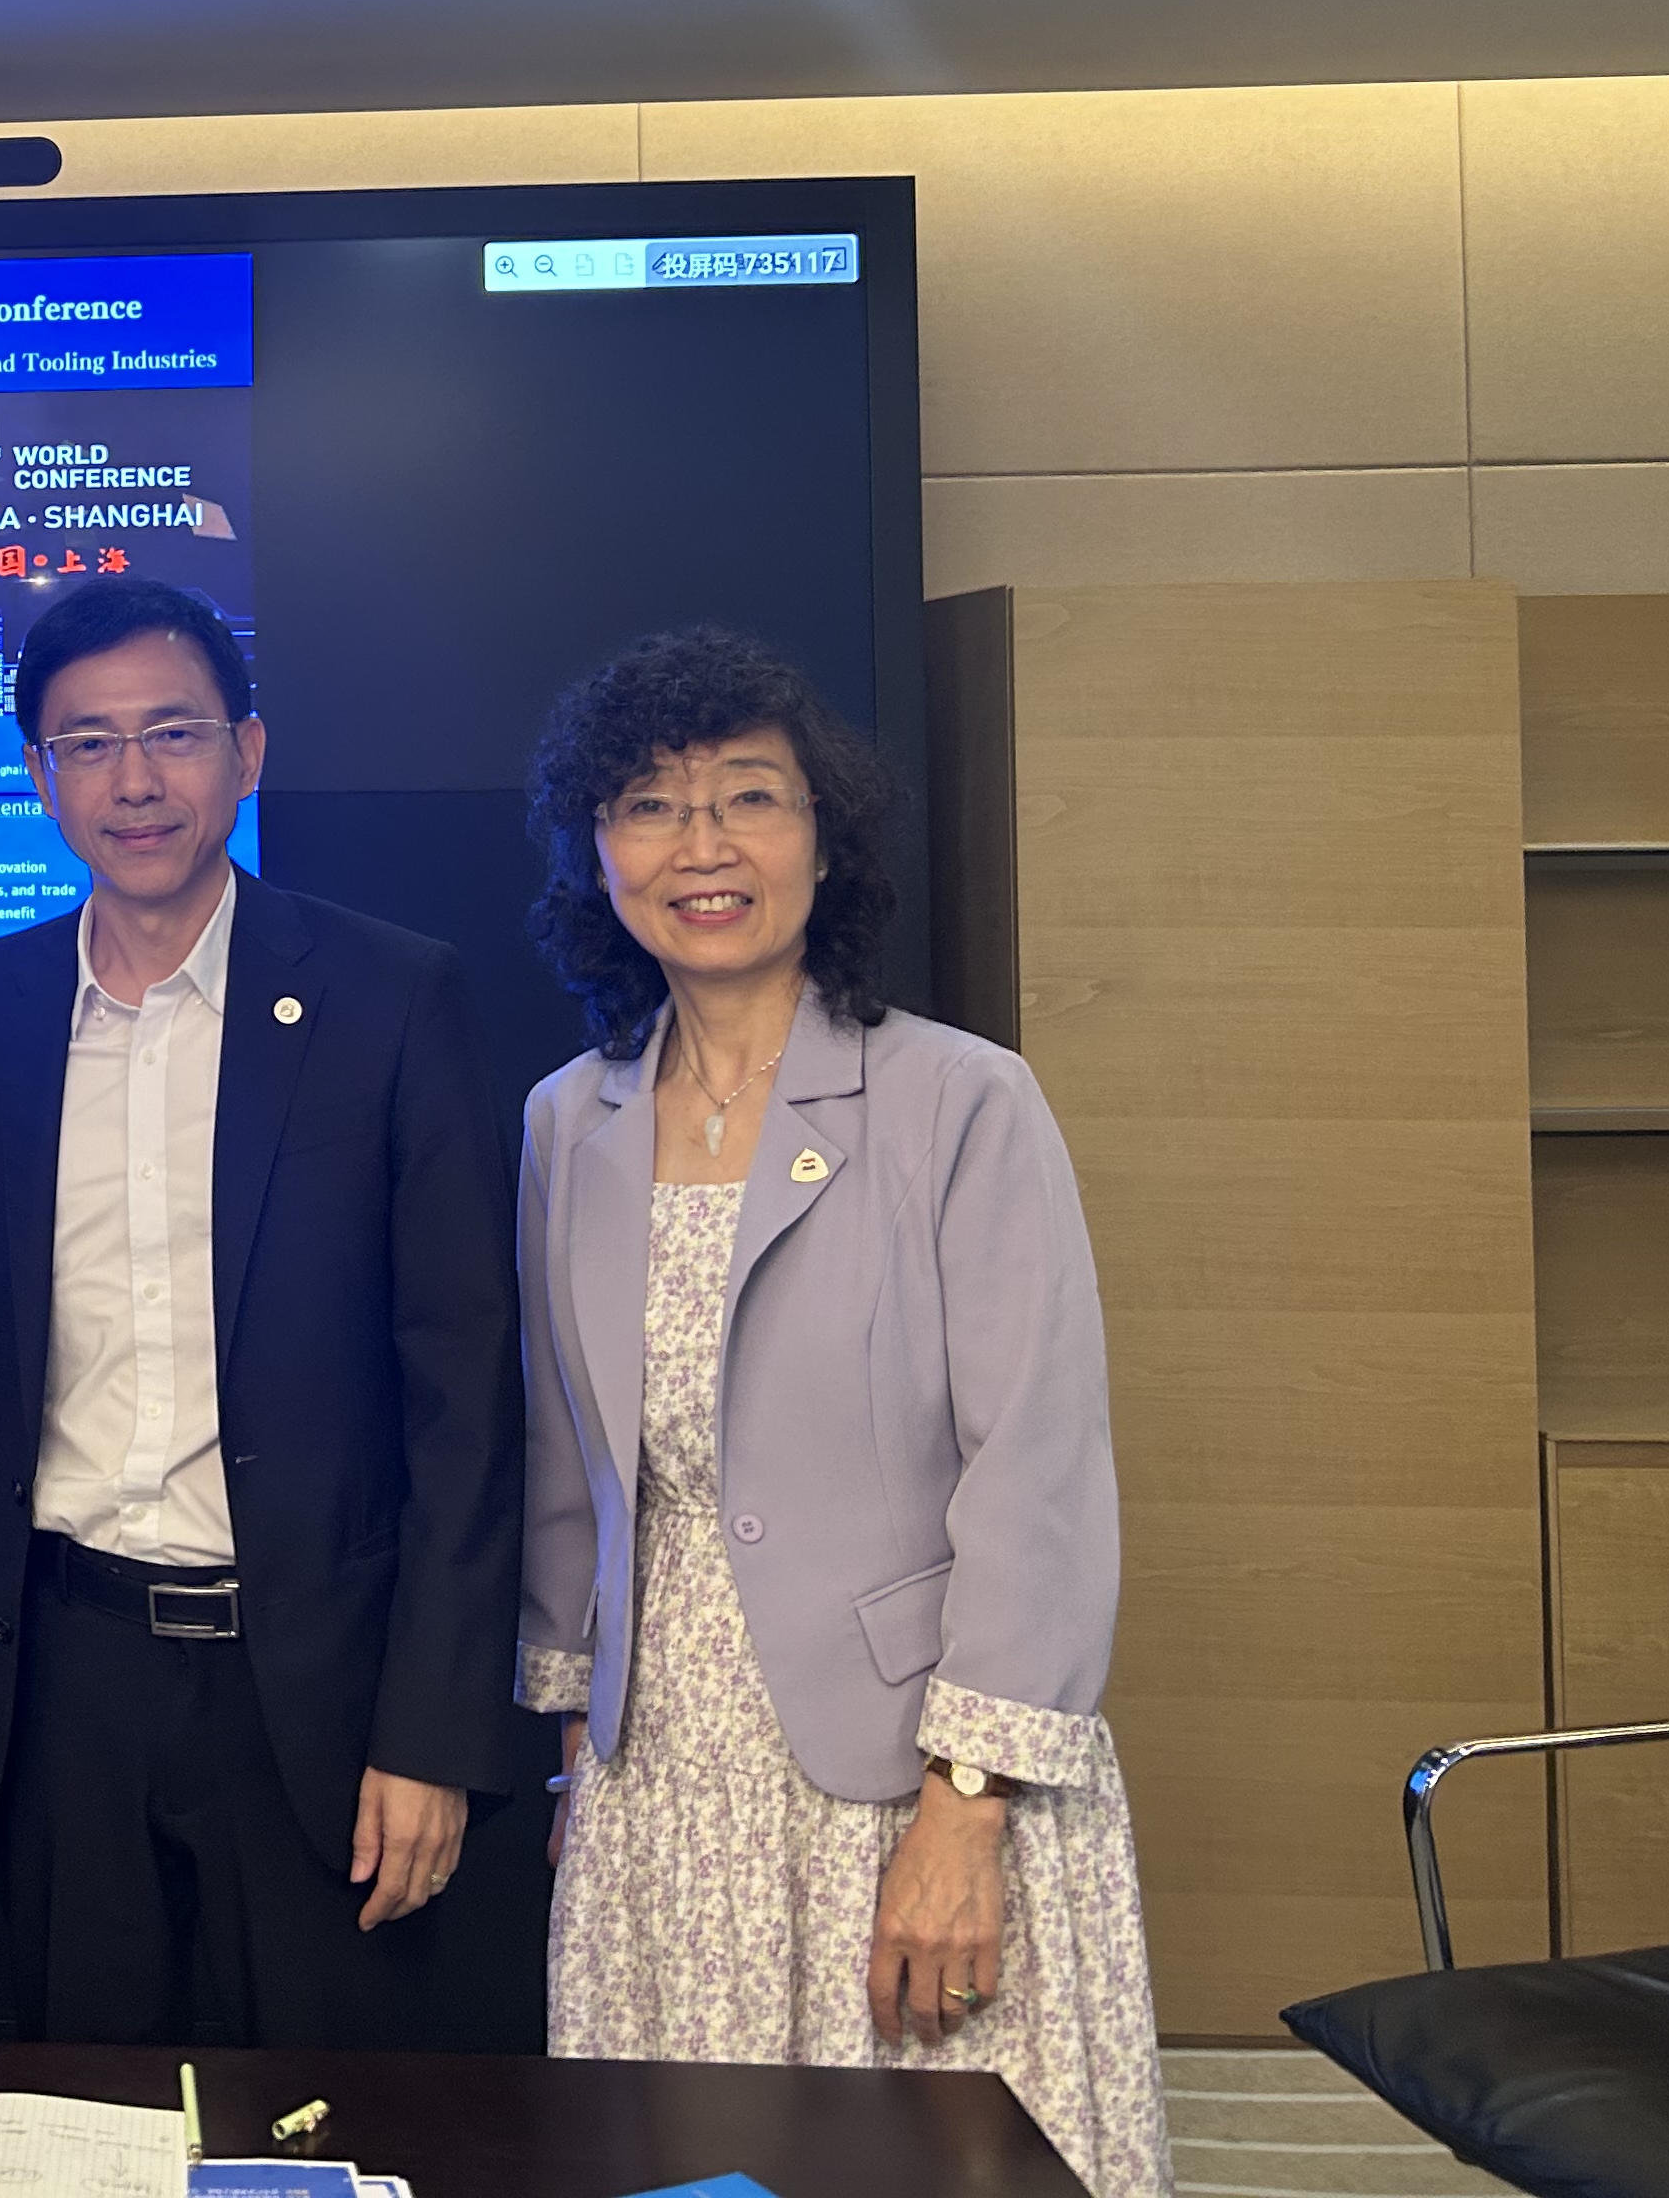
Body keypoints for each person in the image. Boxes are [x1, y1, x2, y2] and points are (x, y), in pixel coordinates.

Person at [514, 628, 1173, 2198]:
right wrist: (576, 1742)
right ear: (599, 856)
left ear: (826, 838)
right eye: (651, 805)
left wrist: (969, 1812)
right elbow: (565, 1467)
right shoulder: (566, 1121)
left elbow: (1037, 1468)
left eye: (751, 797)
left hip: (915, 1769)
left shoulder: (959, 1099)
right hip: (662, 1782)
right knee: (686, 2163)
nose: (704, 846)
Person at [0, 575, 534, 2046]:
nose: (135, 781)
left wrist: (436, 1731)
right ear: (39, 774)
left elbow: (466, 1388)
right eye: (90, 743)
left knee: (318, 2119)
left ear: (247, 752)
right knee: (81, 2111)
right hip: (60, 1679)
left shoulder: (389, 998)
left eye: (173, 733)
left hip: (314, 1688)